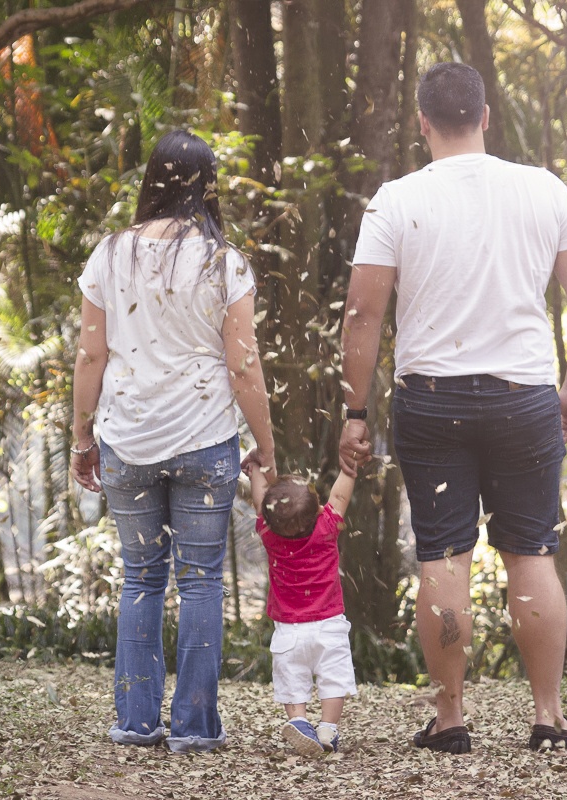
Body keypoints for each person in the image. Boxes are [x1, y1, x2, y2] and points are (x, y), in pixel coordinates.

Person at [338, 63, 567, 754]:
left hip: (431, 401)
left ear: (423, 122)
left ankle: (450, 718)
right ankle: (548, 717)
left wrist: (356, 411)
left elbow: (363, 312)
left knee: (444, 556)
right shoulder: (543, 189)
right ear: (485, 116)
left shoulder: (396, 200)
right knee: (532, 552)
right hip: (524, 397)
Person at [70, 129, 276, 754]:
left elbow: (90, 356)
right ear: (208, 186)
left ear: (151, 182)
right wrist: (265, 446)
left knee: (140, 579)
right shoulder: (223, 262)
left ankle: (136, 723)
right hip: (205, 439)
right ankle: (194, 728)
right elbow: (243, 366)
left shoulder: (110, 255)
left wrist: (81, 437)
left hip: (128, 440)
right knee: (201, 581)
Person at [242, 458, 358, 756]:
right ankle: (328, 728)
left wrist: (256, 470)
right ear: (318, 509)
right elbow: (340, 496)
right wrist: (349, 469)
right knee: (333, 678)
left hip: (289, 629)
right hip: (329, 624)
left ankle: (299, 720)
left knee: (292, 677)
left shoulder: (269, 535)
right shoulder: (327, 528)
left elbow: (260, 502)